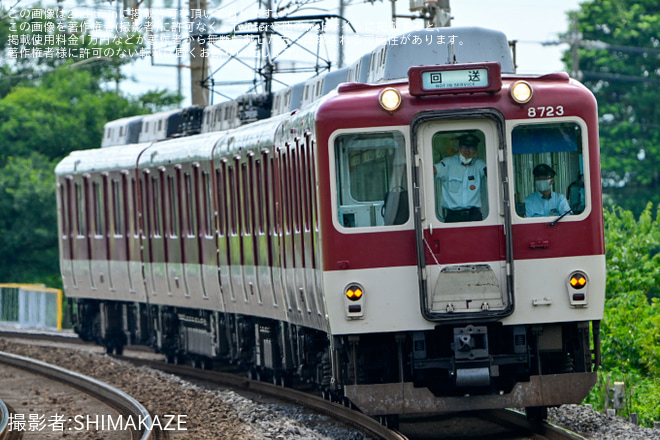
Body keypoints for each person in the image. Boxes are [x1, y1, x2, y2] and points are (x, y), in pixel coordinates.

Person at [434, 133, 487, 223]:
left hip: (474, 216)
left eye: (471, 147)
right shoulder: (448, 163)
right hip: (453, 216)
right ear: (459, 148)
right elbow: (434, 170)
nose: (467, 150)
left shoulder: (479, 165)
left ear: (476, 150)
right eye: (464, 146)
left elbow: (490, 172)